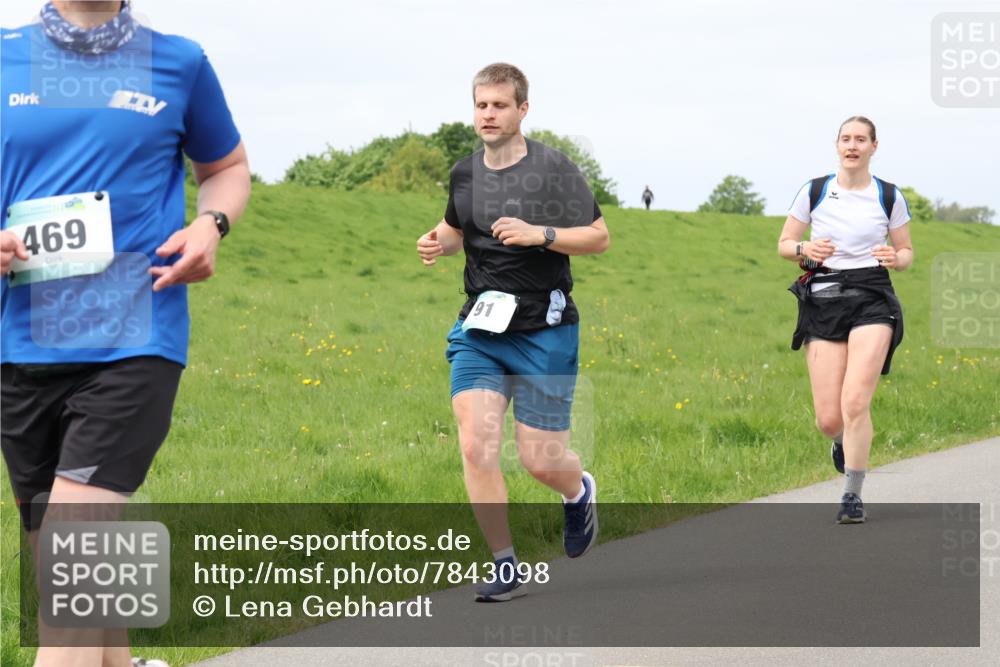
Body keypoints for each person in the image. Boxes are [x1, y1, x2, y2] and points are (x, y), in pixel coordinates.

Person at [1, 2, 250, 665]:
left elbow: (226, 167)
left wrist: (210, 225)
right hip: (20, 343)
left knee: (74, 558)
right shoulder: (4, 55)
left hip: (134, 335)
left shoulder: (178, 62)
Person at [416, 63, 610, 602]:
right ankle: (505, 564)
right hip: (480, 328)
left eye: (499, 105)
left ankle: (577, 490)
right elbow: (457, 230)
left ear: (523, 109)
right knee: (475, 444)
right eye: (481, 105)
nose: (488, 114)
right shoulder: (464, 173)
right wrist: (436, 242)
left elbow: (598, 237)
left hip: (543, 328)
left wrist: (540, 234)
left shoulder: (553, 169)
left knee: (539, 460)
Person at [777, 116, 913, 524]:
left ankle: (852, 495)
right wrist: (804, 248)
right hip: (824, 298)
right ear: (837, 145)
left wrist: (896, 258)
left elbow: (906, 251)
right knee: (829, 419)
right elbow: (785, 243)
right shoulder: (815, 190)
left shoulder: (888, 195)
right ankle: (840, 440)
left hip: (872, 297)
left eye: (861, 139)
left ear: (874, 146)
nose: (852, 146)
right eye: (846, 139)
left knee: (855, 401)